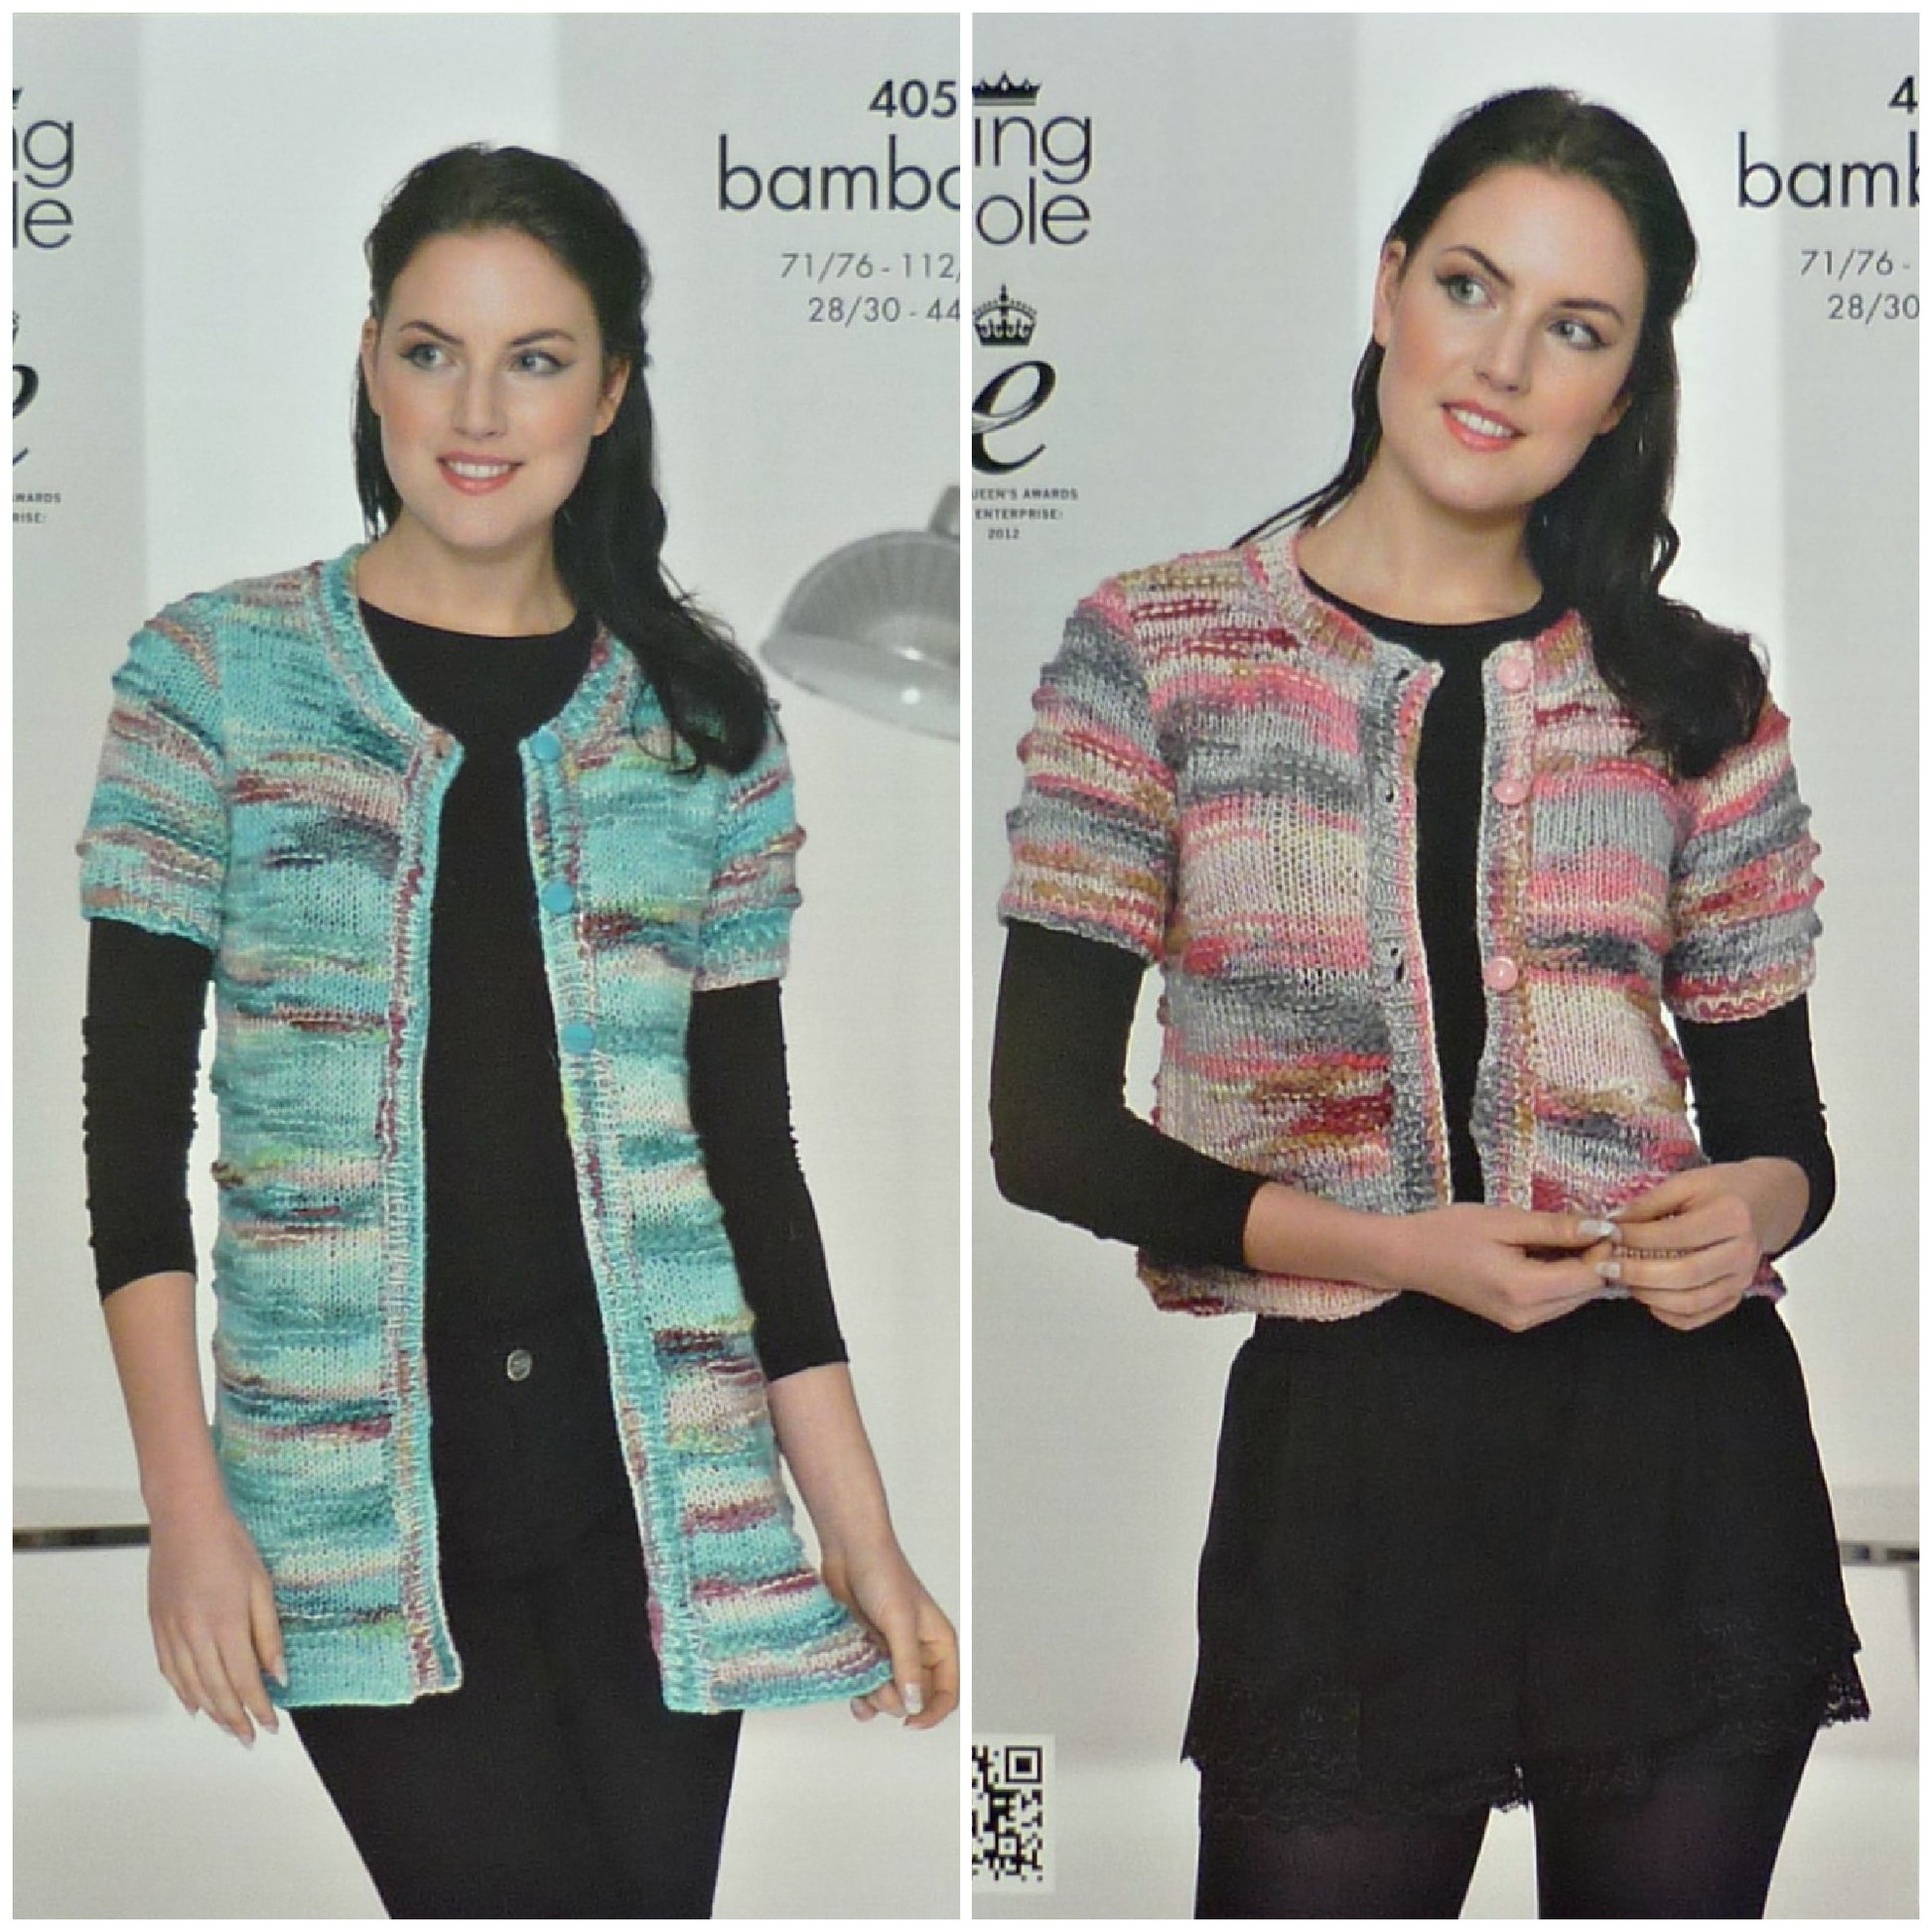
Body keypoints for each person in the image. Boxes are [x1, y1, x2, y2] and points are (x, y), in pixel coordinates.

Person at [991, 87, 1864, 1919]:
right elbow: (1047, 1131)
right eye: (1469, 285)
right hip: (1351, 1480)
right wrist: (1395, 1252)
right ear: (1388, 283)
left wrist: (1749, 1211)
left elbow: (1784, 1141)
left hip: (1679, 1469)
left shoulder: (1695, 697)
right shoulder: (1159, 653)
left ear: (1620, 393)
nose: (1502, 361)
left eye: (1576, 327)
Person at [79, 143, 956, 1919]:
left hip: (657, 1492)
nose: (477, 411)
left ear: (610, 389)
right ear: (370, 363)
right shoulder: (214, 679)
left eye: (535, 359)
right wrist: (187, 1503)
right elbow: (130, 1138)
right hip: (346, 1495)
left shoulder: (700, 720)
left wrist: (857, 1528)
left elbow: (748, 1157)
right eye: (432, 351)